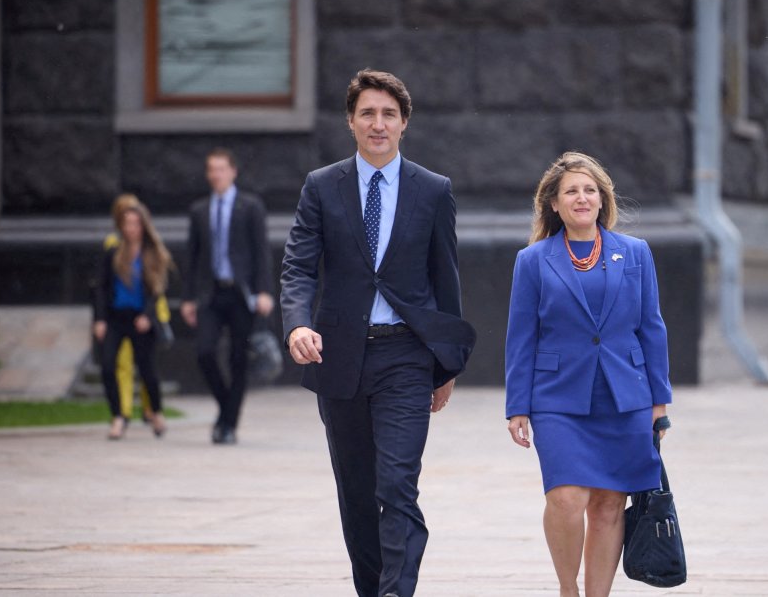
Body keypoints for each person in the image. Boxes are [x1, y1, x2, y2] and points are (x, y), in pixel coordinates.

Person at [279, 68, 475, 597]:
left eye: (389, 114)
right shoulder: (323, 186)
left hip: (406, 358)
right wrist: (298, 322)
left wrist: (446, 363)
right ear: (351, 121)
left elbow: (445, 278)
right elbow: (298, 266)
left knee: (397, 486)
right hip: (339, 358)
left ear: (404, 123)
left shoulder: (433, 191)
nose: (378, 123)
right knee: (358, 495)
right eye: (368, 112)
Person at [504, 152, 672, 597]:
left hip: (625, 396)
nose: (582, 197)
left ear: (602, 200)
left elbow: (651, 327)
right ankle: (568, 589)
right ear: (554, 205)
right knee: (566, 498)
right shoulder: (533, 260)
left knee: (609, 504)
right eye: (571, 191)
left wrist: (660, 401)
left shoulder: (635, 253)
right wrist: (517, 405)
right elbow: (522, 336)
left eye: (590, 190)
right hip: (557, 397)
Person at [181, 148, 274, 445]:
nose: (216, 175)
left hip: (241, 293)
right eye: (211, 170)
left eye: (221, 169)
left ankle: (228, 425)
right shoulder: (199, 210)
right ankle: (226, 408)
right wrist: (187, 298)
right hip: (211, 293)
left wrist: (264, 291)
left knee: (238, 358)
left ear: (233, 171)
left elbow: (262, 251)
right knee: (204, 352)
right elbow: (192, 257)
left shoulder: (250, 206)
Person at [93, 201, 173, 440]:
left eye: (136, 223)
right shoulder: (113, 252)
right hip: (116, 317)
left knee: (147, 370)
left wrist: (148, 316)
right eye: (127, 223)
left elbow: (157, 289)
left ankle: (156, 412)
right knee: (108, 366)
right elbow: (101, 287)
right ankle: (118, 416)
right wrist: (100, 319)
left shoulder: (152, 253)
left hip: (140, 319)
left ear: (144, 225)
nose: (131, 228)